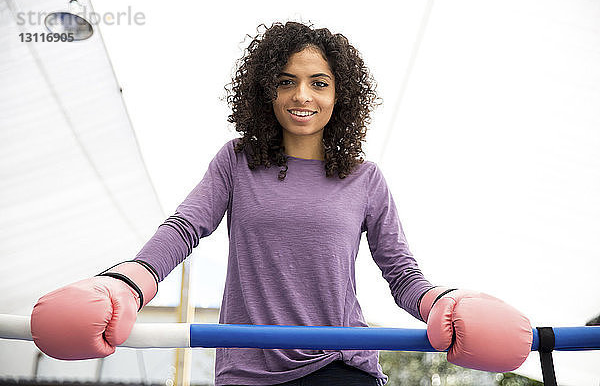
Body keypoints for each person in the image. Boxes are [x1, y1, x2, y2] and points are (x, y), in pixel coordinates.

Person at [30, 21, 533, 386]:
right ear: (265, 90)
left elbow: (400, 273)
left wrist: (444, 303)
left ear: (340, 97)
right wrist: (125, 283)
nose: (302, 95)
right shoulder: (236, 161)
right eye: (287, 80)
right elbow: (185, 228)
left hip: (340, 365)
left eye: (319, 82)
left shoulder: (365, 178)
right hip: (247, 369)